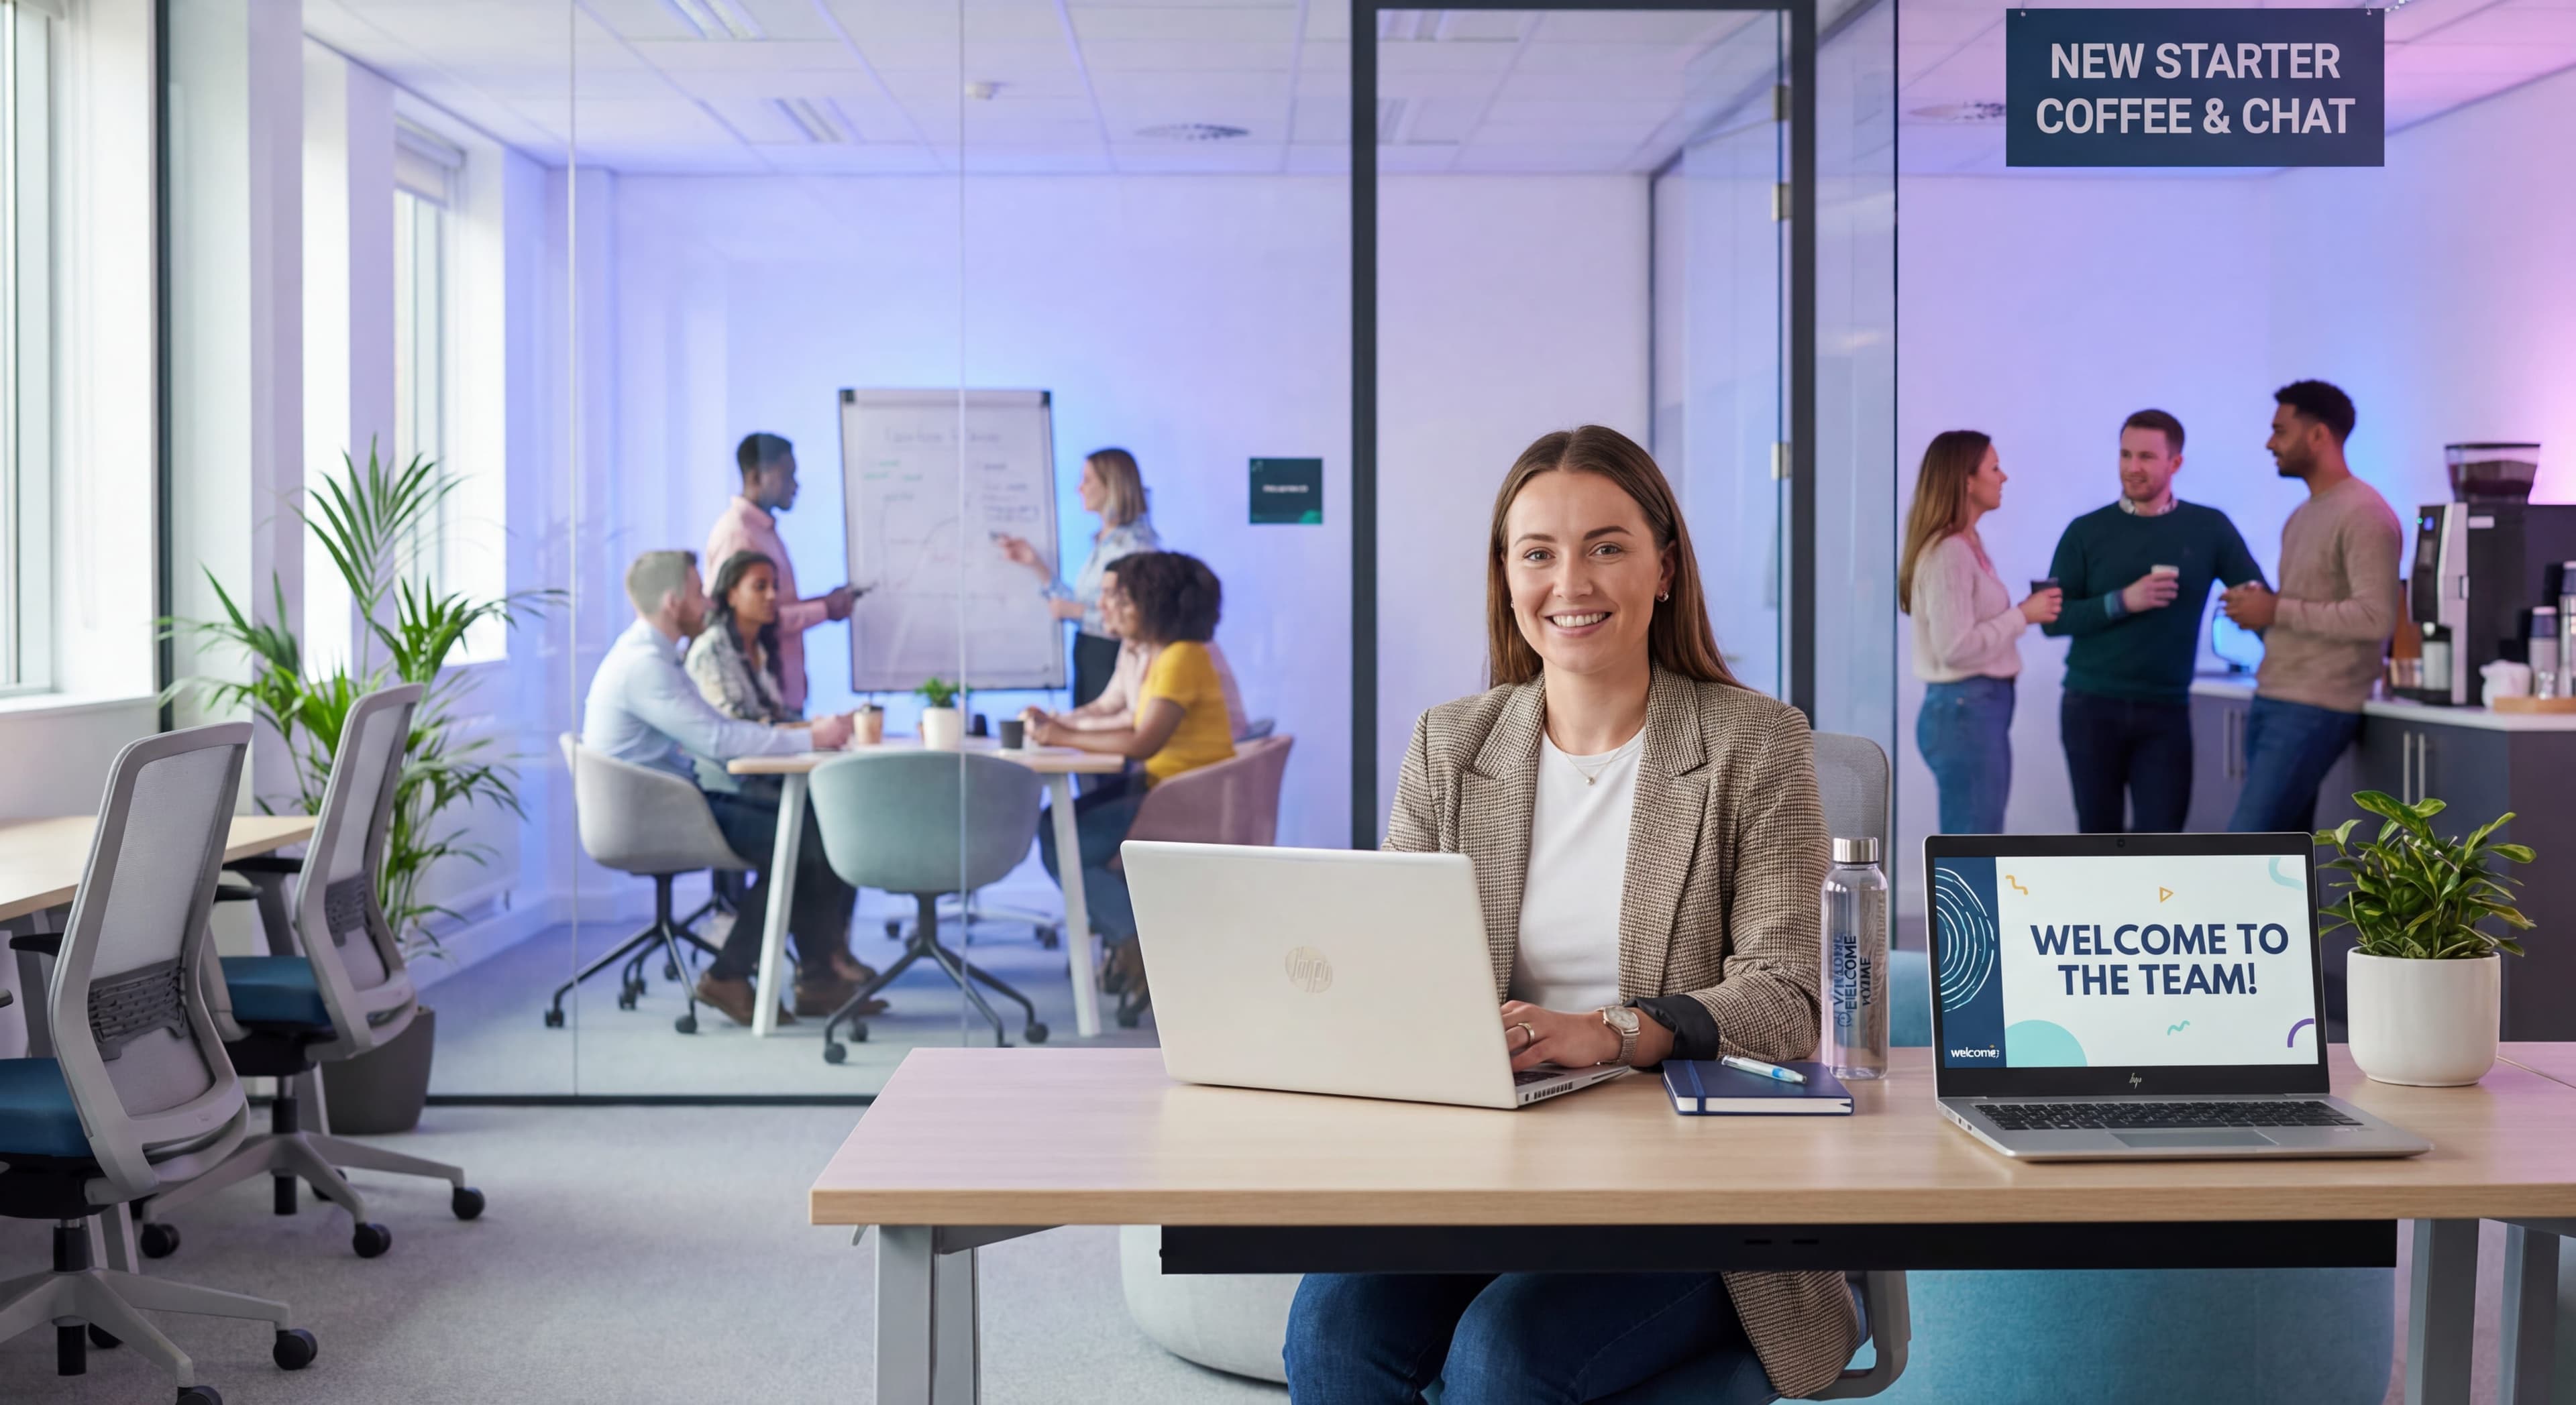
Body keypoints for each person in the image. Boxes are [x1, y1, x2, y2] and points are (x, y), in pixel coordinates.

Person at [1280, 425, 1859, 1405]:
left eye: (1606, 545)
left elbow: (1790, 994)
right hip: (1488, 1171)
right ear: (1506, 577)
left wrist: (1609, 1032)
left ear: (1665, 566)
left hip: (1697, 1194)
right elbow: (1390, 964)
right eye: (1538, 552)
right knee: (1334, 1333)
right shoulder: (1450, 743)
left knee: (1506, 1355)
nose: (1570, 581)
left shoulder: (1754, 742)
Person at [582, 549, 864, 1027]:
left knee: (814, 830)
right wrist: (809, 737)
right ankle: (733, 975)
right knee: (803, 840)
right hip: (653, 814)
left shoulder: (656, 656)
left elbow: (715, 730)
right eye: (698, 591)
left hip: (672, 799)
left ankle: (817, 979)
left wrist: (800, 736)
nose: (708, 600)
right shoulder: (646, 666)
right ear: (674, 602)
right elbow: (717, 739)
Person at [2041, 410, 2266, 832]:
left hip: (2166, 710)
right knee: (2097, 839)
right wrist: (2123, 600)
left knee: (2163, 843)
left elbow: (2259, 598)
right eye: (2125, 455)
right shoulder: (2085, 531)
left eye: (2145, 456)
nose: (2132, 467)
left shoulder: (2209, 528)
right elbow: (2052, 620)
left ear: (2175, 463)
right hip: (2091, 706)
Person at [1022, 551, 1236, 960]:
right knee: (1059, 828)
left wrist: (1060, 734)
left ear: (1152, 603)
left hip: (1182, 799)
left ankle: (1137, 945)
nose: (1110, 608)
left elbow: (1143, 743)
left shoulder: (1181, 657)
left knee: (1065, 838)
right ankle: (1137, 939)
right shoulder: (1161, 655)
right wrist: (1059, 730)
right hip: (1165, 787)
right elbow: (1127, 723)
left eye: (1123, 599)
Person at [686, 548, 881, 994]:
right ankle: (806, 967)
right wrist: (810, 730)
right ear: (730, 594)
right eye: (760, 586)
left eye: (775, 585)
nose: (773, 596)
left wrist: (818, 727)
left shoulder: (761, 648)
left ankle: (822, 966)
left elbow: (773, 717)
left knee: (837, 820)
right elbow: (735, 728)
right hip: (725, 787)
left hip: (761, 779)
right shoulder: (712, 652)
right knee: (815, 834)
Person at [2220, 381, 2402, 832]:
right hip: (2275, 697)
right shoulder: (2301, 516)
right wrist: (2257, 612)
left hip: (2316, 705)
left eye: (2280, 431)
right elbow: (2304, 605)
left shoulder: (2364, 513)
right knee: (2284, 866)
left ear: (2319, 435)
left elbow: (2375, 616)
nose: (2270, 443)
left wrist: (2275, 610)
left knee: (2242, 849)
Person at [1898, 430, 2059, 836]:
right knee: (1972, 846)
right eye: (1995, 467)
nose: (2004, 477)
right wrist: (2023, 614)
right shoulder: (1950, 551)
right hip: (1965, 710)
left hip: (1973, 709)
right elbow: (1955, 648)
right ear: (1967, 480)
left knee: (1978, 840)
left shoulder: (1968, 543)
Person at [705, 433, 861, 718]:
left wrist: (827, 602)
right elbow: (740, 619)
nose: (795, 485)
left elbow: (775, 607)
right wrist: (824, 609)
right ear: (756, 477)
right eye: (787, 475)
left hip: (780, 694)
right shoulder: (737, 534)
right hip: (759, 702)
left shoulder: (764, 531)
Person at [996, 446, 1159, 706]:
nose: (1079, 488)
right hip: (1090, 654)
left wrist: (1077, 612)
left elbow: (1137, 616)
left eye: (1088, 480)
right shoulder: (1106, 541)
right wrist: (1037, 566)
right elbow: (1083, 603)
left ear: (1112, 485)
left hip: (1112, 658)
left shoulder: (1135, 546)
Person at [1057, 563, 1251, 743]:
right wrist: (1061, 722)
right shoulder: (1137, 644)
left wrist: (1064, 730)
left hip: (1206, 768)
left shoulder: (1181, 652)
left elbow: (1142, 730)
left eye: (1118, 598)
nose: (1102, 605)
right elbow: (1112, 705)